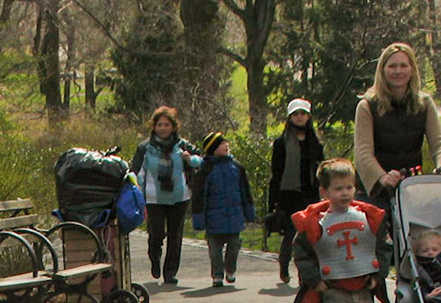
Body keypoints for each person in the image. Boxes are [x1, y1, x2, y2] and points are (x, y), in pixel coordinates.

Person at [291, 159, 387, 303]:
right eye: (338, 189)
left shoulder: (368, 218)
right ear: (324, 192)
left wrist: (379, 274)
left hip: (362, 285)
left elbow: (382, 247)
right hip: (334, 288)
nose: (345, 193)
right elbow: (302, 253)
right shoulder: (316, 223)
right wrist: (314, 280)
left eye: (349, 187)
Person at [353, 42, 441, 209]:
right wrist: (383, 178)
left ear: (412, 70)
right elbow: (363, 153)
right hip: (375, 191)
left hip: (411, 186)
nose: (398, 71)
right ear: (383, 70)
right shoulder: (367, 106)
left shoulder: (424, 103)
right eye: (392, 66)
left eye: (403, 66)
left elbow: (439, 143)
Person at [129, 107, 198, 285]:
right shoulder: (144, 148)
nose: (163, 128)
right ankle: (154, 257)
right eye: (159, 124)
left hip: (179, 197)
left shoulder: (183, 146)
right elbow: (135, 172)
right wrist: (137, 193)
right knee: (157, 233)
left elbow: (200, 161)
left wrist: (189, 158)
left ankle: (170, 272)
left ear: (174, 127)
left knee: (175, 236)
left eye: (167, 124)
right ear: (154, 126)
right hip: (154, 198)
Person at [267, 99, 324, 286]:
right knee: (291, 234)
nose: (299, 117)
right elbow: (276, 173)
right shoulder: (281, 143)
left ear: (308, 116)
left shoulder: (315, 142)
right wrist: (274, 202)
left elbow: (322, 169)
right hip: (288, 195)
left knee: (310, 235)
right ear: (290, 117)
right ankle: (284, 265)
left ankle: (305, 274)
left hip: (310, 194)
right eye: (296, 114)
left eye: (303, 114)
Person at [191, 132, 257, 287]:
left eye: (226, 143)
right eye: (221, 144)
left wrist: (249, 212)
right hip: (214, 219)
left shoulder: (237, 167)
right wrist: (199, 220)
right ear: (213, 149)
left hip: (234, 217)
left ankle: (231, 270)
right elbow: (199, 197)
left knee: (234, 247)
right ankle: (217, 275)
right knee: (215, 252)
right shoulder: (206, 170)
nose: (226, 146)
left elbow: (245, 192)